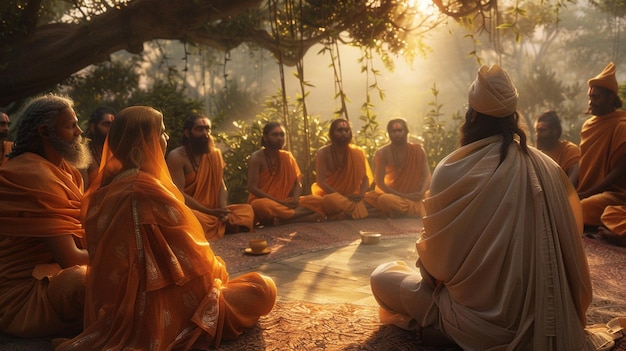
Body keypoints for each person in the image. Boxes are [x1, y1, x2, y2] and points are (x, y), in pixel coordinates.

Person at [370, 65, 594, 350]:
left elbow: (435, 271)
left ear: (472, 116)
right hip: (549, 318)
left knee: (383, 277)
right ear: (514, 118)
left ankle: (447, 331)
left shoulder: (453, 167)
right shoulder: (548, 168)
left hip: (477, 326)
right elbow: (573, 253)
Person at [56, 106, 277, 350]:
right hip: (174, 311)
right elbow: (197, 265)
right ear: (145, 142)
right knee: (263, 287)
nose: (166, 138)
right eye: (161, 132)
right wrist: (217, 277)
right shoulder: (150, 190)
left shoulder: (101, 194)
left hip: (114, 308)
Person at [0, 95, 88, 338]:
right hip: (24, 296)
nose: (79, 131)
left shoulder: (69, 172)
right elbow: (71, 257)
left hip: (56, 275)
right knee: (84, 282)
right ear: (45, 131)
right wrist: (121, 255)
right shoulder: (33, 174)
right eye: (70, 126)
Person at [166, 113, 255, 241]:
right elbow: (178, 193)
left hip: (214, 212)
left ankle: (220, 223)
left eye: (207, 129)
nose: (205, 133)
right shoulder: (176, 156)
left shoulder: (214, 154)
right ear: (187, 133)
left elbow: (221, 185)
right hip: (194, 211)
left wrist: (223, 209)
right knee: (187, 218)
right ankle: (224, 226)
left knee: (247, 210)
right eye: (199, 129)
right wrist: (209, 212)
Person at [573, 62, 626, 230]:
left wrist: (586, 194)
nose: (591, 102)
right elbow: (583, 164)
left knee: (583, 208)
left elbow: (619, 171)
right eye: (590, 97)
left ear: (610, 98)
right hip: (586, 192)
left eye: (596, 97)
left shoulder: (621, 125)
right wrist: (570, 190)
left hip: (614, 195)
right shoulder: (588, 126)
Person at [247, 121, 325, 225]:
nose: (279, 138)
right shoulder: (256, 158)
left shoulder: (287, 156)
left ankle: (285, 218)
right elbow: (252, 187)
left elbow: (297, 182)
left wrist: (295, 200)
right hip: (265, 201)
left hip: (285, 202)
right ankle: (297, 218)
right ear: (265, 138)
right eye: (275, 134)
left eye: (282, 135)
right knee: (261, 206)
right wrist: (278, 202)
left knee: (318, 200)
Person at [364, 118, 430, 218]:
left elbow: (427, 175)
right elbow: (380, 183)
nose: (397, 134)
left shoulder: (418, 150)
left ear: (406, 132)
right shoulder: (382, 153)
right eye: (393, 131)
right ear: (389, 134)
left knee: (433, 195)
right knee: (384, 200)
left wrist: (420, 193)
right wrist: (405, 196)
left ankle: (401, 211)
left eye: (400, 130)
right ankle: (417, 209)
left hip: (417, 195)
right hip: (393, 195)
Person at [310, 118, 373, 220]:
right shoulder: (323, 153)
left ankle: (346, 213)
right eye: (339, 130)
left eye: (346, 130)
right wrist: (342, 196)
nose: (344, 133)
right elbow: (320, 182)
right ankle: (364, 211)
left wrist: (361, 195)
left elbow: (366, 179)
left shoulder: (358, 152)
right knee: (328, 200)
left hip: (355, 197)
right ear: (332, 133)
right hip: (334, 196)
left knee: (378, 198)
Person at [534, 109, 580, 179]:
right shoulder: (536, 156)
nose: (538, 135)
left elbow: (571, 186)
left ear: (554, 131)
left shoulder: (570, 151)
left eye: (542, 130)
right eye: (537, 131)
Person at [81, 106, 115, 186]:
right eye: (107, 124)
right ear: (92, 127)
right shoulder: (83, 154)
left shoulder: (119, 153)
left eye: (113, 125)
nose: (111, 129)